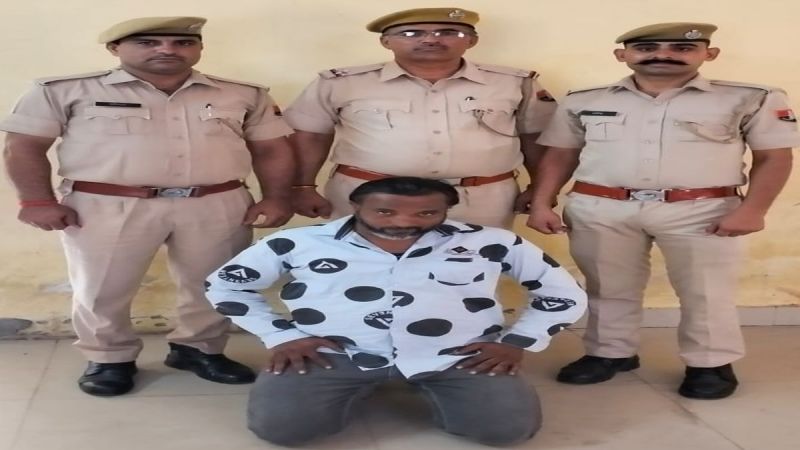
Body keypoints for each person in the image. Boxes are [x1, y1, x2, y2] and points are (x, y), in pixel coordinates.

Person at [0, 16, 296, 396]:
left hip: (215, 201)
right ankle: (109, 358)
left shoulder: (242, 94)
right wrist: (37, 200)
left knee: (213, 283)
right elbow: (24, 146)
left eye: (182, 43)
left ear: (199, 48)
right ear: (114, 48)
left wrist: (277, 196)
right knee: (102, 287)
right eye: (148, 42)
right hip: (107, 203)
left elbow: (271, 149)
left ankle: (199, 349)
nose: (167, 50)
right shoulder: (64, 90)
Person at [205, 177, 587, 446]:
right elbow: (225, 285)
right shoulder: (297, 242)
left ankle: (438, 388)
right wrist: (281, 335)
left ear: (447, 210)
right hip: (332, 352)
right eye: (385, 212)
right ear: (356, 206)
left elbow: (562, 293)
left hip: (457, 354)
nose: (404, 222)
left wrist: (517, 342)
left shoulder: (491, 242)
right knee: (282, 432)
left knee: (506, 432)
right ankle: (357, 385)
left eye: (427, 214)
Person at [528, 22, 798, 399]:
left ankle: (710, 363)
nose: (663, 55)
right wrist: (543, 201)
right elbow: (561, 154)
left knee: (706, 291)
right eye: (647, 48)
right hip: (602, 207)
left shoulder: (749, 97)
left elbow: (774, 157)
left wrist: (753, 210)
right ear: (622, 55)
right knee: (607, 285)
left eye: (681, 48)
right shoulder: (584, 99)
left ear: (709, 54)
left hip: (701, 209)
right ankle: (610, 353)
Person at [285, 7, 557, 229]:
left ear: (472, 40)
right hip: (372, 196)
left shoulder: (513, 83)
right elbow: (310, 136)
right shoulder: (342, 83)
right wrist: (302, 186)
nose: (430, 40)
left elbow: (537, 138)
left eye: (448, 32)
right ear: (385, 41)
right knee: (366, 267)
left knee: (474, 269)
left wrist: (540, 190)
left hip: (483, 200)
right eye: (411, 33)